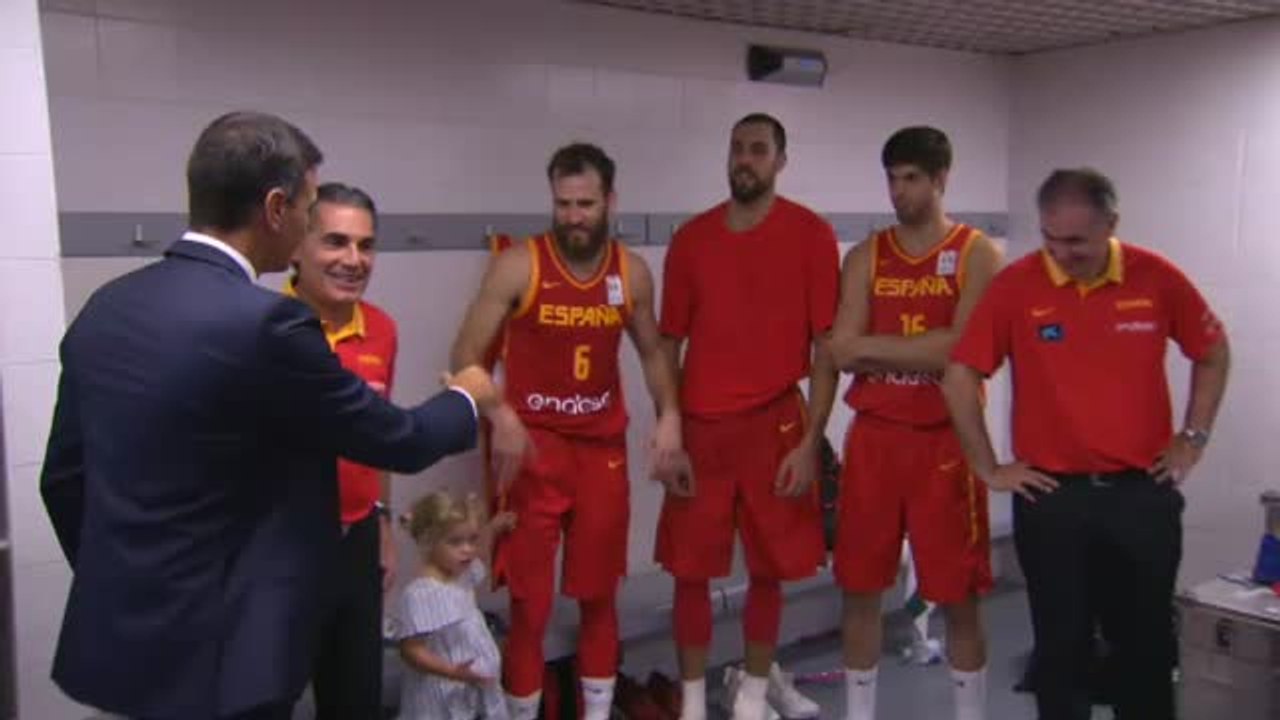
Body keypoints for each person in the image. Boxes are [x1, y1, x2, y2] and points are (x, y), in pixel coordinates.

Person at [38, 111, 506, 720]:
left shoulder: (107, 308)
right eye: (313, 211)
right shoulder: (266, 324)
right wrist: (470, 393)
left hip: (130, 646)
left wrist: (133, 584)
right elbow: (401, 439)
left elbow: (63, 480)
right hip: (226, 657)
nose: (319, 231)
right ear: (276, 208)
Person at [942, 168, 1230, 720]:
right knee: (1060, 652)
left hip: (1141, 495)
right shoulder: (1018, 285)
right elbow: (960, 375)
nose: (1062, 253)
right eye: (1051, 239)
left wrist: (1192, 439)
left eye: (1076, 241)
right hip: (1053, 500)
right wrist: (989, 467)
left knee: (1144, 651)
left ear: (1111, 225)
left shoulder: (1156, 277)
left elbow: (1213, 353)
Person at [449, 142, 684, 720]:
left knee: (600, 596)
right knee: (530, 606)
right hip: (535, 452)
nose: (573, 216)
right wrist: (501, 413)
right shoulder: (520, 265)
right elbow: (465, 358)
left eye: (585, 203)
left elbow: (654, 354)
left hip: (601, 454)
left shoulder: (630, 272)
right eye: (563, 203)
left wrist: (670, 416)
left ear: (611, 201)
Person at [655, 113, 838, 720]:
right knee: (689, 571)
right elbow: (667, 346)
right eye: (737, 148)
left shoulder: (810, 234)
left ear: (780, 161)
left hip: (776, 424)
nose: (745, 159)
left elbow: (826, 350)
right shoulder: (692, 239)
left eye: (758, 150)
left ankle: (755, 694)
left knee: (769, 568)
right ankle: (689, 704)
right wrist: (670, 431)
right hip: (702, 429)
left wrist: (811, 442)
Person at [828, 126, 1003, 720]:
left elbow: (966, 348)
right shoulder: (866, 255)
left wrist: (884, 346)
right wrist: (932, 346)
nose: (898, 192)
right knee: (860, 587)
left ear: (940, 179)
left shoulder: (977, 252)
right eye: (892, 178)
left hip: (946, 439)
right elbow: (842, 351)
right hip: (876, 438)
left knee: (959, 594)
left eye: (911, 179)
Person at [286, 182, 400, 719]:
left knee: (355, 699)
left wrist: (383, 522)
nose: (353, 260)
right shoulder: (260, 328)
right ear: (296, 248)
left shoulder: (381, 330)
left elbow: (380, 438)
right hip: (279, 552)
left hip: (356, 543)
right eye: (335, 242)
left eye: (365, 245)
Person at [396, 491, 516, 719]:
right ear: (430, 542)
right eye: (456, 542)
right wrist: (453, 672)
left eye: (471, 539)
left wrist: (492, 528)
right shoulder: (421, 594)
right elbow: (411, 650)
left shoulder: (460, 575)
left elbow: (480, 552)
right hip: (441, 693)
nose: (468, 549)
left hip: (471, 686)